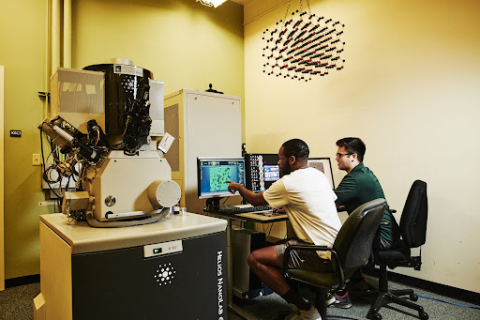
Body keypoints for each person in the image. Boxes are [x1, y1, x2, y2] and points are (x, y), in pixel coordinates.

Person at [227, 139, 341, 320]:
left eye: (280, 159)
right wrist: (290, 206)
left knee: (255, 259)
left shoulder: (288, 182)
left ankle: (306, 310)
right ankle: (323, 295)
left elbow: (256, 200)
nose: (278, 163)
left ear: (292, 159)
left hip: (319, 255)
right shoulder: (317, 175)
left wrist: (239, 187)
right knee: (278, 243)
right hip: (337, 248)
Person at [328, 137, 401, 309]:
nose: (336, 159)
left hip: (380, 237)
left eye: (340, 155)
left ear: (353, 156)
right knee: (350, 234)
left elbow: (329, 202)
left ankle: (341, 293)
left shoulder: (354, 179)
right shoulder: (364, 173)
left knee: (335, 242)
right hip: (386, 232)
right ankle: (357, 280)